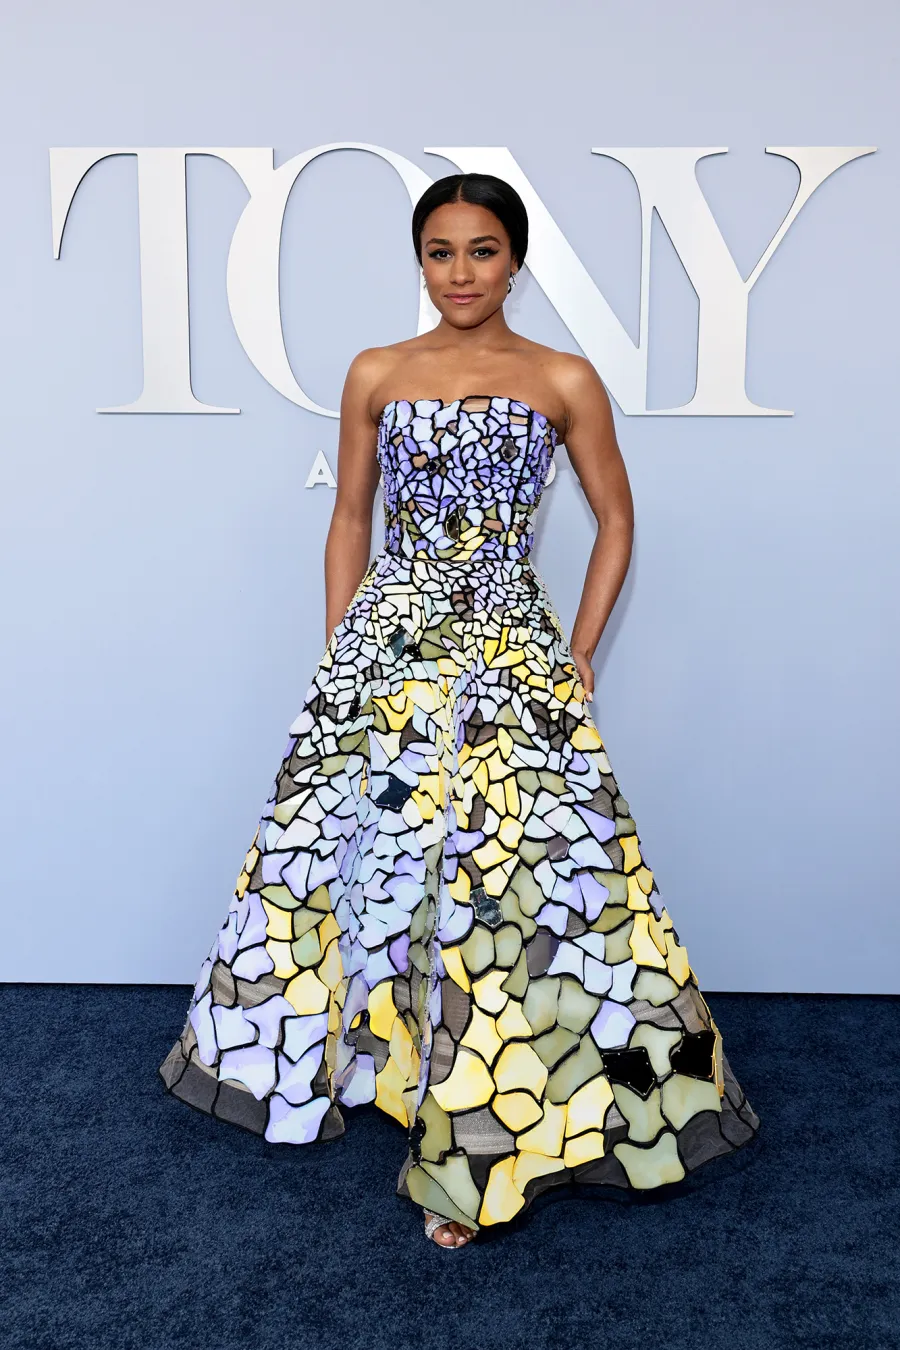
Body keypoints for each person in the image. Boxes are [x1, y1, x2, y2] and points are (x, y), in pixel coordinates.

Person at [159, 172, 760, 1250]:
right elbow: (350, 514)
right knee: (365, 863)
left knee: (516, 883)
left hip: (507, 648)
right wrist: (343, 645)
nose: (461, 272)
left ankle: (491, 1140)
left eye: (482, 251)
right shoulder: (378, 372)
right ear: (419, 262)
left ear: (515, 261)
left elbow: (618, 520)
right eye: (440, 252)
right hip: (388, 651)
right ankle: (381, 1072)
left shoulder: (562, 377)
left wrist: (576, 656)